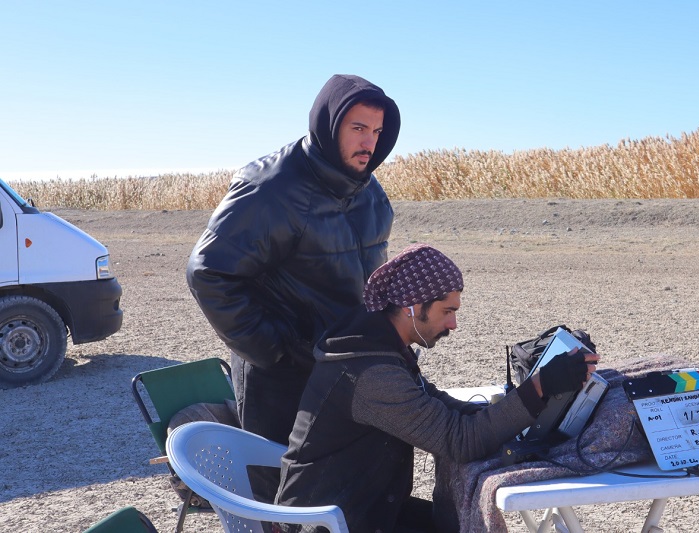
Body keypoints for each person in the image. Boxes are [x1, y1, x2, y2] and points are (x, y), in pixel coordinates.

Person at [274, 244, 599, 533]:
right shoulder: (372, 374)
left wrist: (517, 408)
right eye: (447, 312)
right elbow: (458, 441)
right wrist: (539, 388)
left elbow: (441, 406)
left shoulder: (378, 348)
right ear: (412, 307)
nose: (453, 325)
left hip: (360, 506)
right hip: (329, 522)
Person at [186, 74, 401, 448]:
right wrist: (276, 351)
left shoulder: (368, 189)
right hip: (281, 382)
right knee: (280, 492)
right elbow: (209, 272)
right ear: (328, 124)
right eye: (358, 128)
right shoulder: (271, 187)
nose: (370, 142)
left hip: (345, 367)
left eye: (378, 131)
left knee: (349, 479)